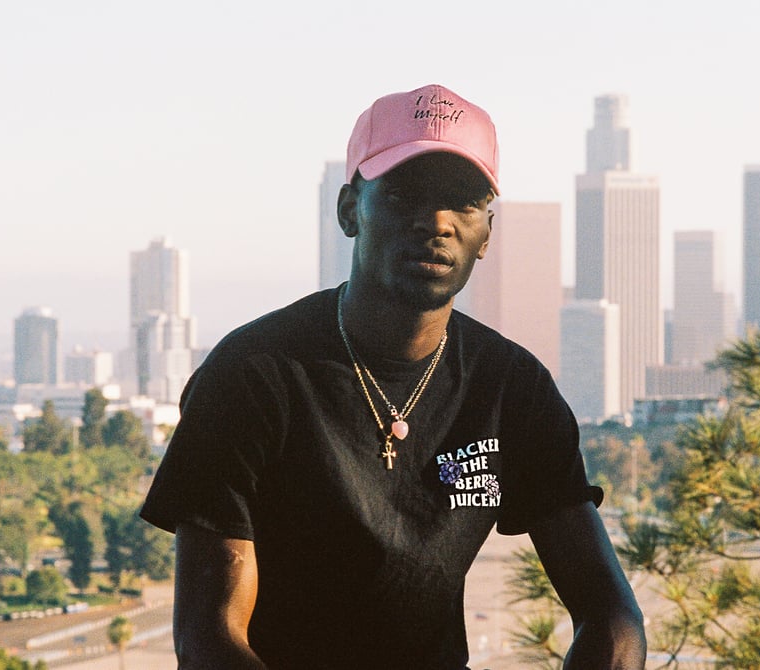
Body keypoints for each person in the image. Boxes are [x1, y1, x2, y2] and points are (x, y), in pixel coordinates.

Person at [140, 83, 646, 669]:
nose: (436, 222)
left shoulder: (511, 388)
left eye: (463, 201)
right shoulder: (253, 376)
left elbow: (614, 619)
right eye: (407, 194)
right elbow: (208, 637)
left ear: (487, 231)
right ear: (350, 208)